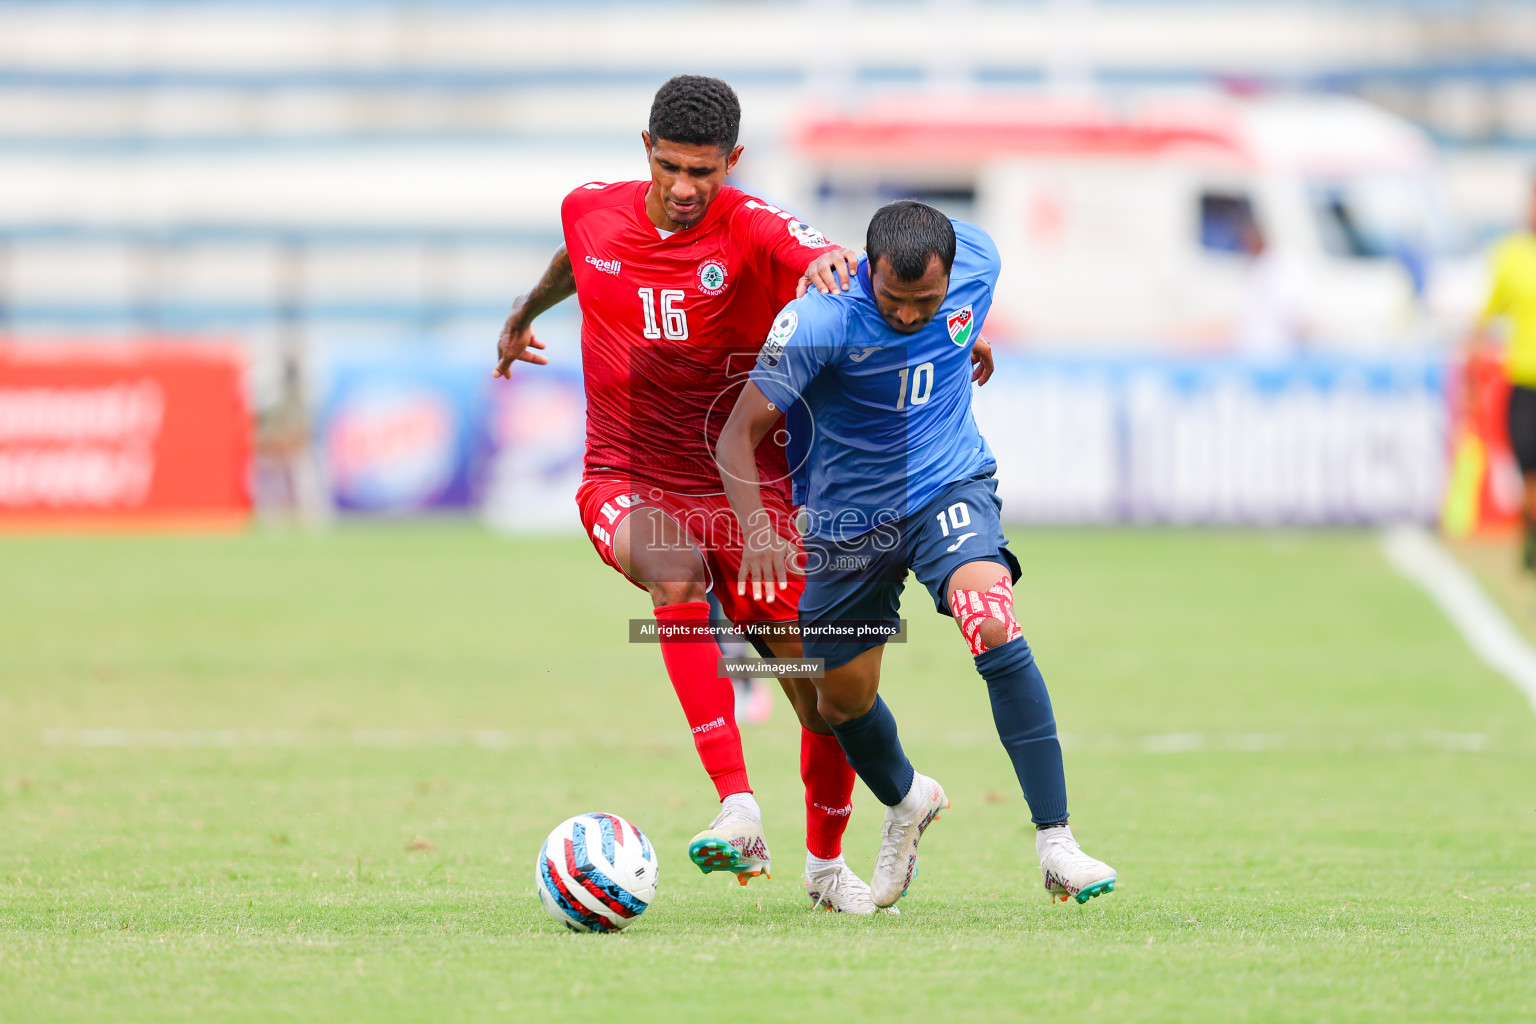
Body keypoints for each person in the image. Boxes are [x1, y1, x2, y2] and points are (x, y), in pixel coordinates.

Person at [493, 75, 888, 911]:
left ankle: (824, 866)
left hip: (745, 493)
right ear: (646, 151)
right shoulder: (591, 209)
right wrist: (524, 312)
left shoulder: (751, 227)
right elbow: (575, 259)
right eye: (669, 167)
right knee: (674, 574)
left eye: (702, 173)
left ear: (732, 163)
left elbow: (828, 264)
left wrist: (942, 327)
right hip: (625, 476)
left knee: (820, 695)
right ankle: (737, 805)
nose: (683, 188)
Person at [715, 200, 1116, 909]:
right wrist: (758, 531)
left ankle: (1057, 841)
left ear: (953, 277)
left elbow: (953, 313)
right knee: (837, 703)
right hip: (847, 521)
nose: (907, 316)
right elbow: (736, 434)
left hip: (946, 487)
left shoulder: (980, 260)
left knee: (989, 617)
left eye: (925, 302)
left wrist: (963, 337)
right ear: (868, 270)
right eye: (894, 302)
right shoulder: (820, 317)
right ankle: (907, 800)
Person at [1466, 182, 1536, 570]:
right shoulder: (1510, 256)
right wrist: (1473, 378)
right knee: (1528, 471)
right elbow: (1487, 317)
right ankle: (1530, 536)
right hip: (1525, 380)